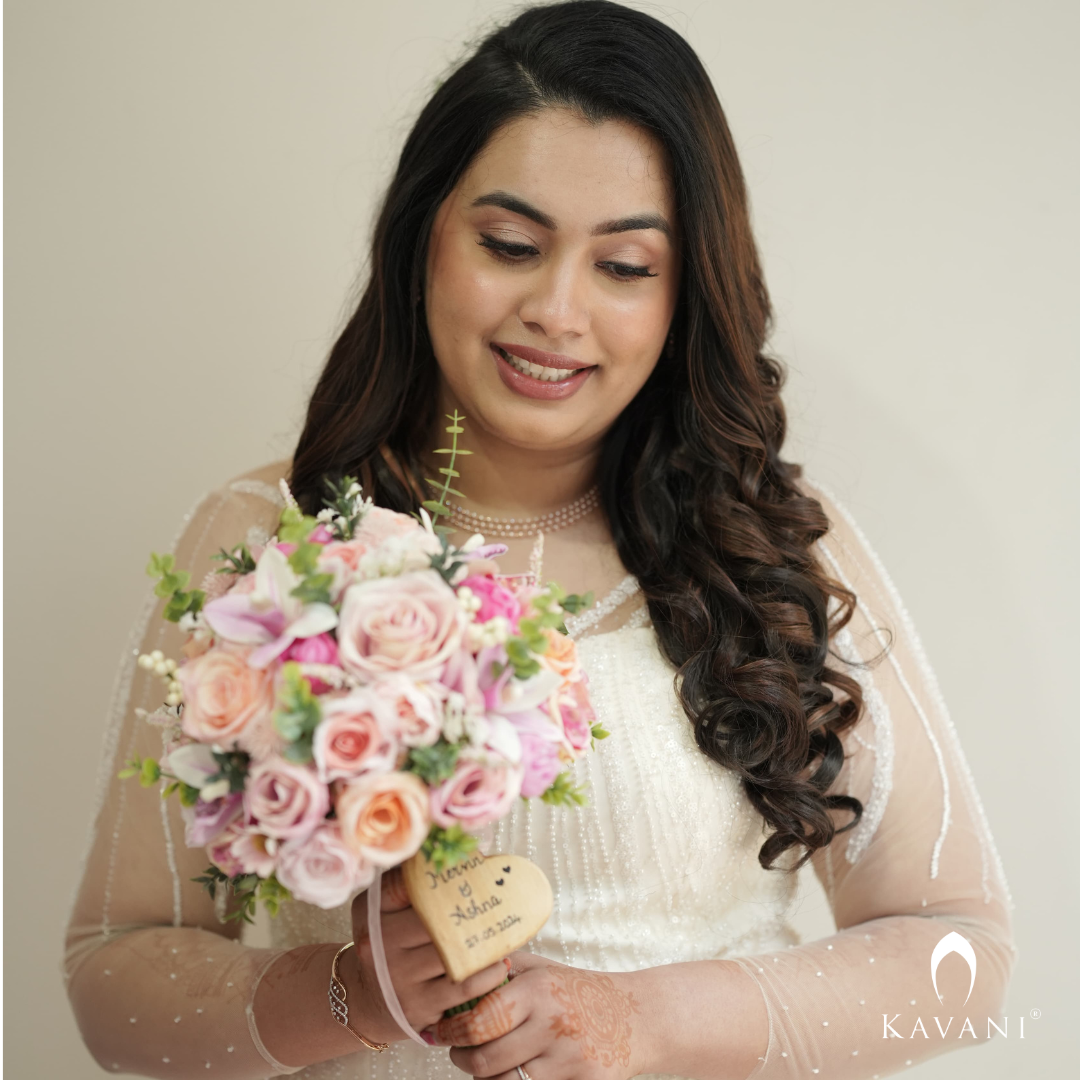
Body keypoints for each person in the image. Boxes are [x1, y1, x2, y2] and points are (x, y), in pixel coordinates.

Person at [63, 3, 1017, 1078]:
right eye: (511, 245)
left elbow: (958, 958)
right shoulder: (265, 548)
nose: (557, 310)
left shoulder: (782, 549)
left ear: (684, 292)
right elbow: (114, 970)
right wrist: (346, 994)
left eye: (624, 268)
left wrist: (646, 1021)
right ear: (424, 234)